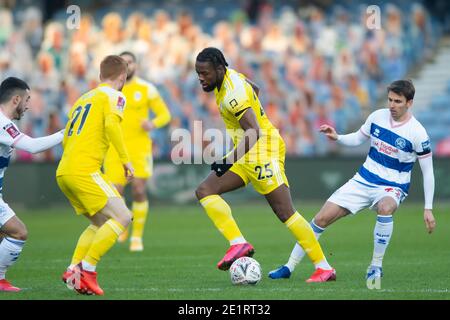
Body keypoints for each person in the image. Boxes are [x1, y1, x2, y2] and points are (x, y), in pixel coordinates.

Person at [269, 79, 436, 284]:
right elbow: (358, 137)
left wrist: (428, 208)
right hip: (363, 179)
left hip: (392, 186)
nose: (392, 105)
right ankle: (289, 266)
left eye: (398, 101)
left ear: (409, 103)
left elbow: (428, 172)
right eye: (390, 100)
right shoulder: (377, 117)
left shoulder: (417, 133)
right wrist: (337, 137)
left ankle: (375, 266)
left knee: (385, 208)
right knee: (320, 219)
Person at [194, 47, 336, 283]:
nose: (201, 78)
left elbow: (254, 131)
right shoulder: (232, 78)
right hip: (246, 150)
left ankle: (324, 268)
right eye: (198, 73)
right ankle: (238, 243)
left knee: (284, 211)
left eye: (205, 73)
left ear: (219, 69)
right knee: (205, 190)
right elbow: (255, 90)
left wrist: (228, 160)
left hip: (262, 149)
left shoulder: (232, 94)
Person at [56, 55, 134, 296]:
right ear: (122, 77)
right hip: (84, 170)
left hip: (64, 171)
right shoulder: (115, 96)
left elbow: (67, 136)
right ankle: (87, 269)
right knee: (123, 216)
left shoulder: (83, 99)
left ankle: (74, 271)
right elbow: (112, 126)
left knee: (99, 223)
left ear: (100, 76)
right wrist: (125, 160)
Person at [0, 77, 64, 292]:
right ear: (16, 99)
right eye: (26, 100)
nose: (28, 105)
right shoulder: (3, 123)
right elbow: (33, 147)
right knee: (18, 232)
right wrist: (66, 133)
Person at [103, 51, 171, 252]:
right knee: (116, 192)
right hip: (114, 149)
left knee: (139, 189)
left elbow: (165, 115)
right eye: (123, 63)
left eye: (130, 62)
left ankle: (137, 238)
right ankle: (123, 226)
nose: (128, 65)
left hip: (140, 148)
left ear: (136, 65)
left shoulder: (147, 89)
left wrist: (153, 123)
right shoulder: (108, 91)